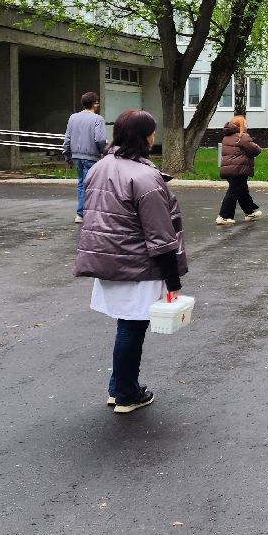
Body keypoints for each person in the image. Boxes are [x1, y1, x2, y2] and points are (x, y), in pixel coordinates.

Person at [74, 109, 185, 414]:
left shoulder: (101, 166)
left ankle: (117, 386)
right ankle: (126, 392)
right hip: (137, 263)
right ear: (142, 137)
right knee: (133, 326)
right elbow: (160, 234)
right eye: (151, 131)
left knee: (127, 323)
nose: (154, 137)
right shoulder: (145, 176)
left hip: (109, 258)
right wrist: (172, 278)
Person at [63, 91, 108, 223]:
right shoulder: (98, 119)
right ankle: (86, 213)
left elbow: (67, 138)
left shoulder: (73, 118)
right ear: (94, 104)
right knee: (93, 185)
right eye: (97, 103)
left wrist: (67, 155)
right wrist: (104, 152)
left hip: (76, 156)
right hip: (91, 157)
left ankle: (80, 214)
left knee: (82, 184)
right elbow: (100, 139)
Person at [216, 115, 263, 224]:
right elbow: (255, 150)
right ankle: (224, 216)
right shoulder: (242, 137)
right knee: (234, 192)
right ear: (240, 125)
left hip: (229, 169)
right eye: (245, 123)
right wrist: (258, 147)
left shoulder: (226, 137)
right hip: (238, 169)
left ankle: (250, 212)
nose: (247, 125)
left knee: (242, 191)